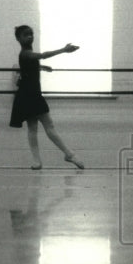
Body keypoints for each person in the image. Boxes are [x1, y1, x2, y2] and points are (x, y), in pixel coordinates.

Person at [10, 25, 84, 170]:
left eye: (31, 34)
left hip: (31, 93)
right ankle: (67, 154)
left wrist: (41, 67)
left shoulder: (27, 54)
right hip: (29, 94)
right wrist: (63, 50)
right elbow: (42, 55)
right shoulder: (25, 53)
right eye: (26, 35)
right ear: (19, 39)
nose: (30, 37)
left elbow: (29, 66)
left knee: (38, 127)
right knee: (43, 126)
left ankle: (41, 161)